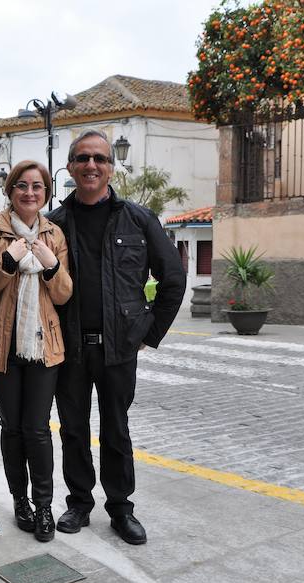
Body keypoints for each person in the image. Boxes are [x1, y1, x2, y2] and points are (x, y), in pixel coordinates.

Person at [47, 130, 186, 545]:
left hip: (118, 349)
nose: (92, 166)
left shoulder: (139, 220)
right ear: (70, 167)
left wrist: (148, 331)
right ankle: (78, 503)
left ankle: (121, 509)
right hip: (69, 347)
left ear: (111, 167)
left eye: (100, 159)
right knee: (72, 429)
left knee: (116, 429)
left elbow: (173, 279)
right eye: (83, 158)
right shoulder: (54, 225)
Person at [0, 160, 72, 542]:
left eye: (37, 186)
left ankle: (45, 506)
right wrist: (9, 259)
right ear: (10, 190)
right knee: (12, 429)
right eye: (22, 186)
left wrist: (51, 266)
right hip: (2, 346)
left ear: (46, 193)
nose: (30, 193)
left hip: (44, 345)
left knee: (37, 430)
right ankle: (20, 502)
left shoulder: (54, 235)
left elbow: (64, 294)